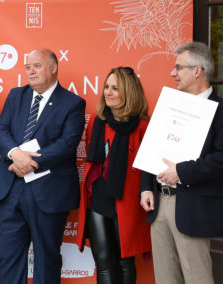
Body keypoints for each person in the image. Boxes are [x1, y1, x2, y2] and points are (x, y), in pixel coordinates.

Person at [0, 48, 86, 284]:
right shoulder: (16, 95)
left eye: (36, 66)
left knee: (46, 258)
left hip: (48, 191)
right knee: (8, 257)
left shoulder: (73, 103)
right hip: (12, 188)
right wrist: (15, 154)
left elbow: (67, 144)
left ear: (53, 68)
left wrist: (28, 162)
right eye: (27, 67)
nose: (30, 71)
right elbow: (1, 129)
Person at [140, 41, 223, 284]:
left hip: (194, 207)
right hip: (159, 206)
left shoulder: (220, 111)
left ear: (197, 70)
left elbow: (220, 158)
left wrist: (181, 172)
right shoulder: (169, 106)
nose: (172, 73)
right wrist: (146, 186)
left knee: (197, 278)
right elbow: (152, 149)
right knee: (165, 279)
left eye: (178, 67)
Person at [75, 67, 151, 284]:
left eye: (115, 88)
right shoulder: (98, 122)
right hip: (97, 200)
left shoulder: (143, 126)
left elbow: (147, 170)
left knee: (125, 261)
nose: (108, 92)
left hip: (126, 201)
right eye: (106, 87)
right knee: (103, 262)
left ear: (129, 92)